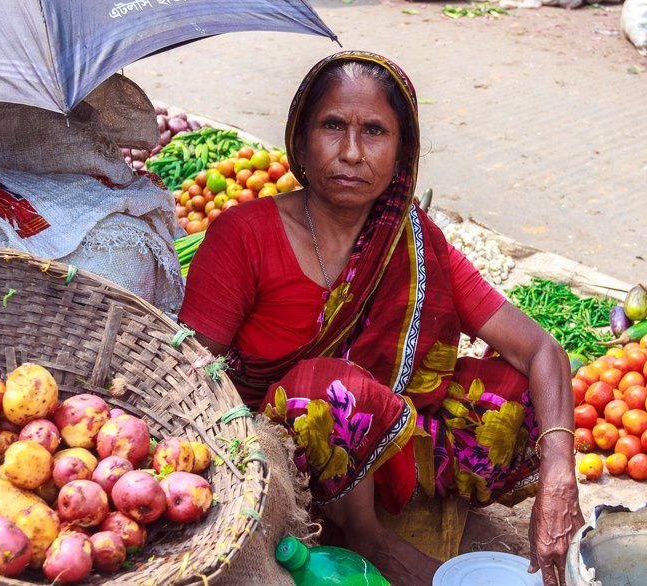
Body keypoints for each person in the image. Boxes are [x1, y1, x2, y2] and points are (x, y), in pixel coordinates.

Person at [179, 51, 583, 586]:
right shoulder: (244, 234)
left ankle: (384, 495)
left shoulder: (409, 238)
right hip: (283, 446)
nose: (350, 152)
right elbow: (192, 374)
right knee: (331, 390)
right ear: (300, 141)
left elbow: (541, 350)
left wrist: (560, 469)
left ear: (401, 153)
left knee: (514, 393)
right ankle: (369, 538)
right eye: (332, 127)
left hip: (381, 437)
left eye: (373, 131)